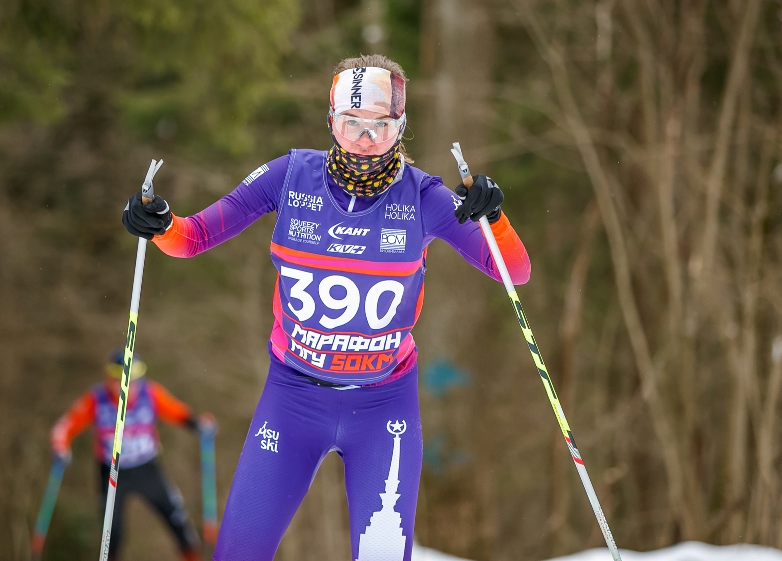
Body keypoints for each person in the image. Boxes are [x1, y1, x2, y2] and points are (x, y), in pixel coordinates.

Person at [122, 54, 530, 561]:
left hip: (383, 406)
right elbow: (195, 237)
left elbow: (512, 270)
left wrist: (494, 217)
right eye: (350, 122)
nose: (364, 137)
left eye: (379, 125)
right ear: (330, 121)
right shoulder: (289, 176)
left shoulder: (424, 196)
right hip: (292, 397)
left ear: (400, 125)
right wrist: (159, 224)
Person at [50, 350, 206, 561]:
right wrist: (60, 446)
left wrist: (198, 425)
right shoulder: (97, 399)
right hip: (113, 473)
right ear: (110, 379)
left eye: (135, 381)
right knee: (112, 535)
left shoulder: (150, 394)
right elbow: (64, 426)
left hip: (147, 469)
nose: (130, 387)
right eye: (122, 381)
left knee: (177, 519)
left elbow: (178, 412)